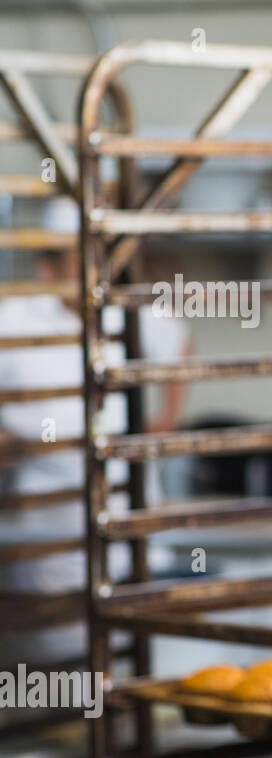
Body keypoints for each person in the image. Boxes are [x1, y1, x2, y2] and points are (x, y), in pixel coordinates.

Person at [0, 196, 192, 669]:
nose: (97, 270)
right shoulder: (14, 320)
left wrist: (160, 425)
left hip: (130, 531)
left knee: (127, 662)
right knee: (52, 673)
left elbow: (181, 349)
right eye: (81, 259)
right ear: (48, 267)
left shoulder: (132, 315)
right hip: (41, 541)